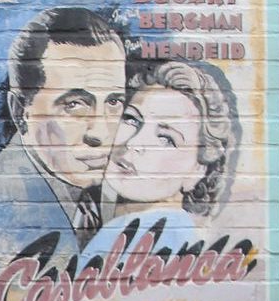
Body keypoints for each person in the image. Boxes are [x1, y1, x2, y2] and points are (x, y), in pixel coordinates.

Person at [0, 6, 127, 280]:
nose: (100, 133)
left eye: (114, 102)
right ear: (21, 113)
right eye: (74, 104)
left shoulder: (121, 191)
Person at [81, 59, 241, 266]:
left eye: (166, 138)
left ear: (198, 171)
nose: (134, 143)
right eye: (131, 119)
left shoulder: (141, 232)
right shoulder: (117, 225)